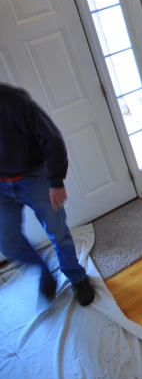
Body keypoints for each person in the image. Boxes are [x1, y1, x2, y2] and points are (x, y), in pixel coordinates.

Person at [0, 83, 95, 306]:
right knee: (8, 242)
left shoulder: (14, 101)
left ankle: (77, 277)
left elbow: (52, 139)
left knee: (57, 232)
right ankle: (45, 271)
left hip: (35, 178)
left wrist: (56, 181)